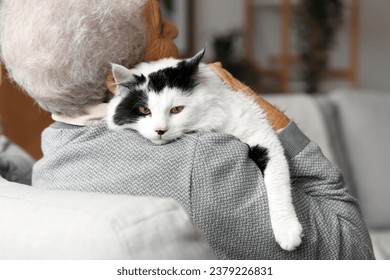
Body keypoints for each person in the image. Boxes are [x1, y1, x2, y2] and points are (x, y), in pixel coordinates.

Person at [0, 0, 374, 259]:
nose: (174, 28)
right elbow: (354, 250)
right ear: (120, 81)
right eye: (160, 26)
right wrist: (266, 114)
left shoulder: (52, 162)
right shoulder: (203, 163)